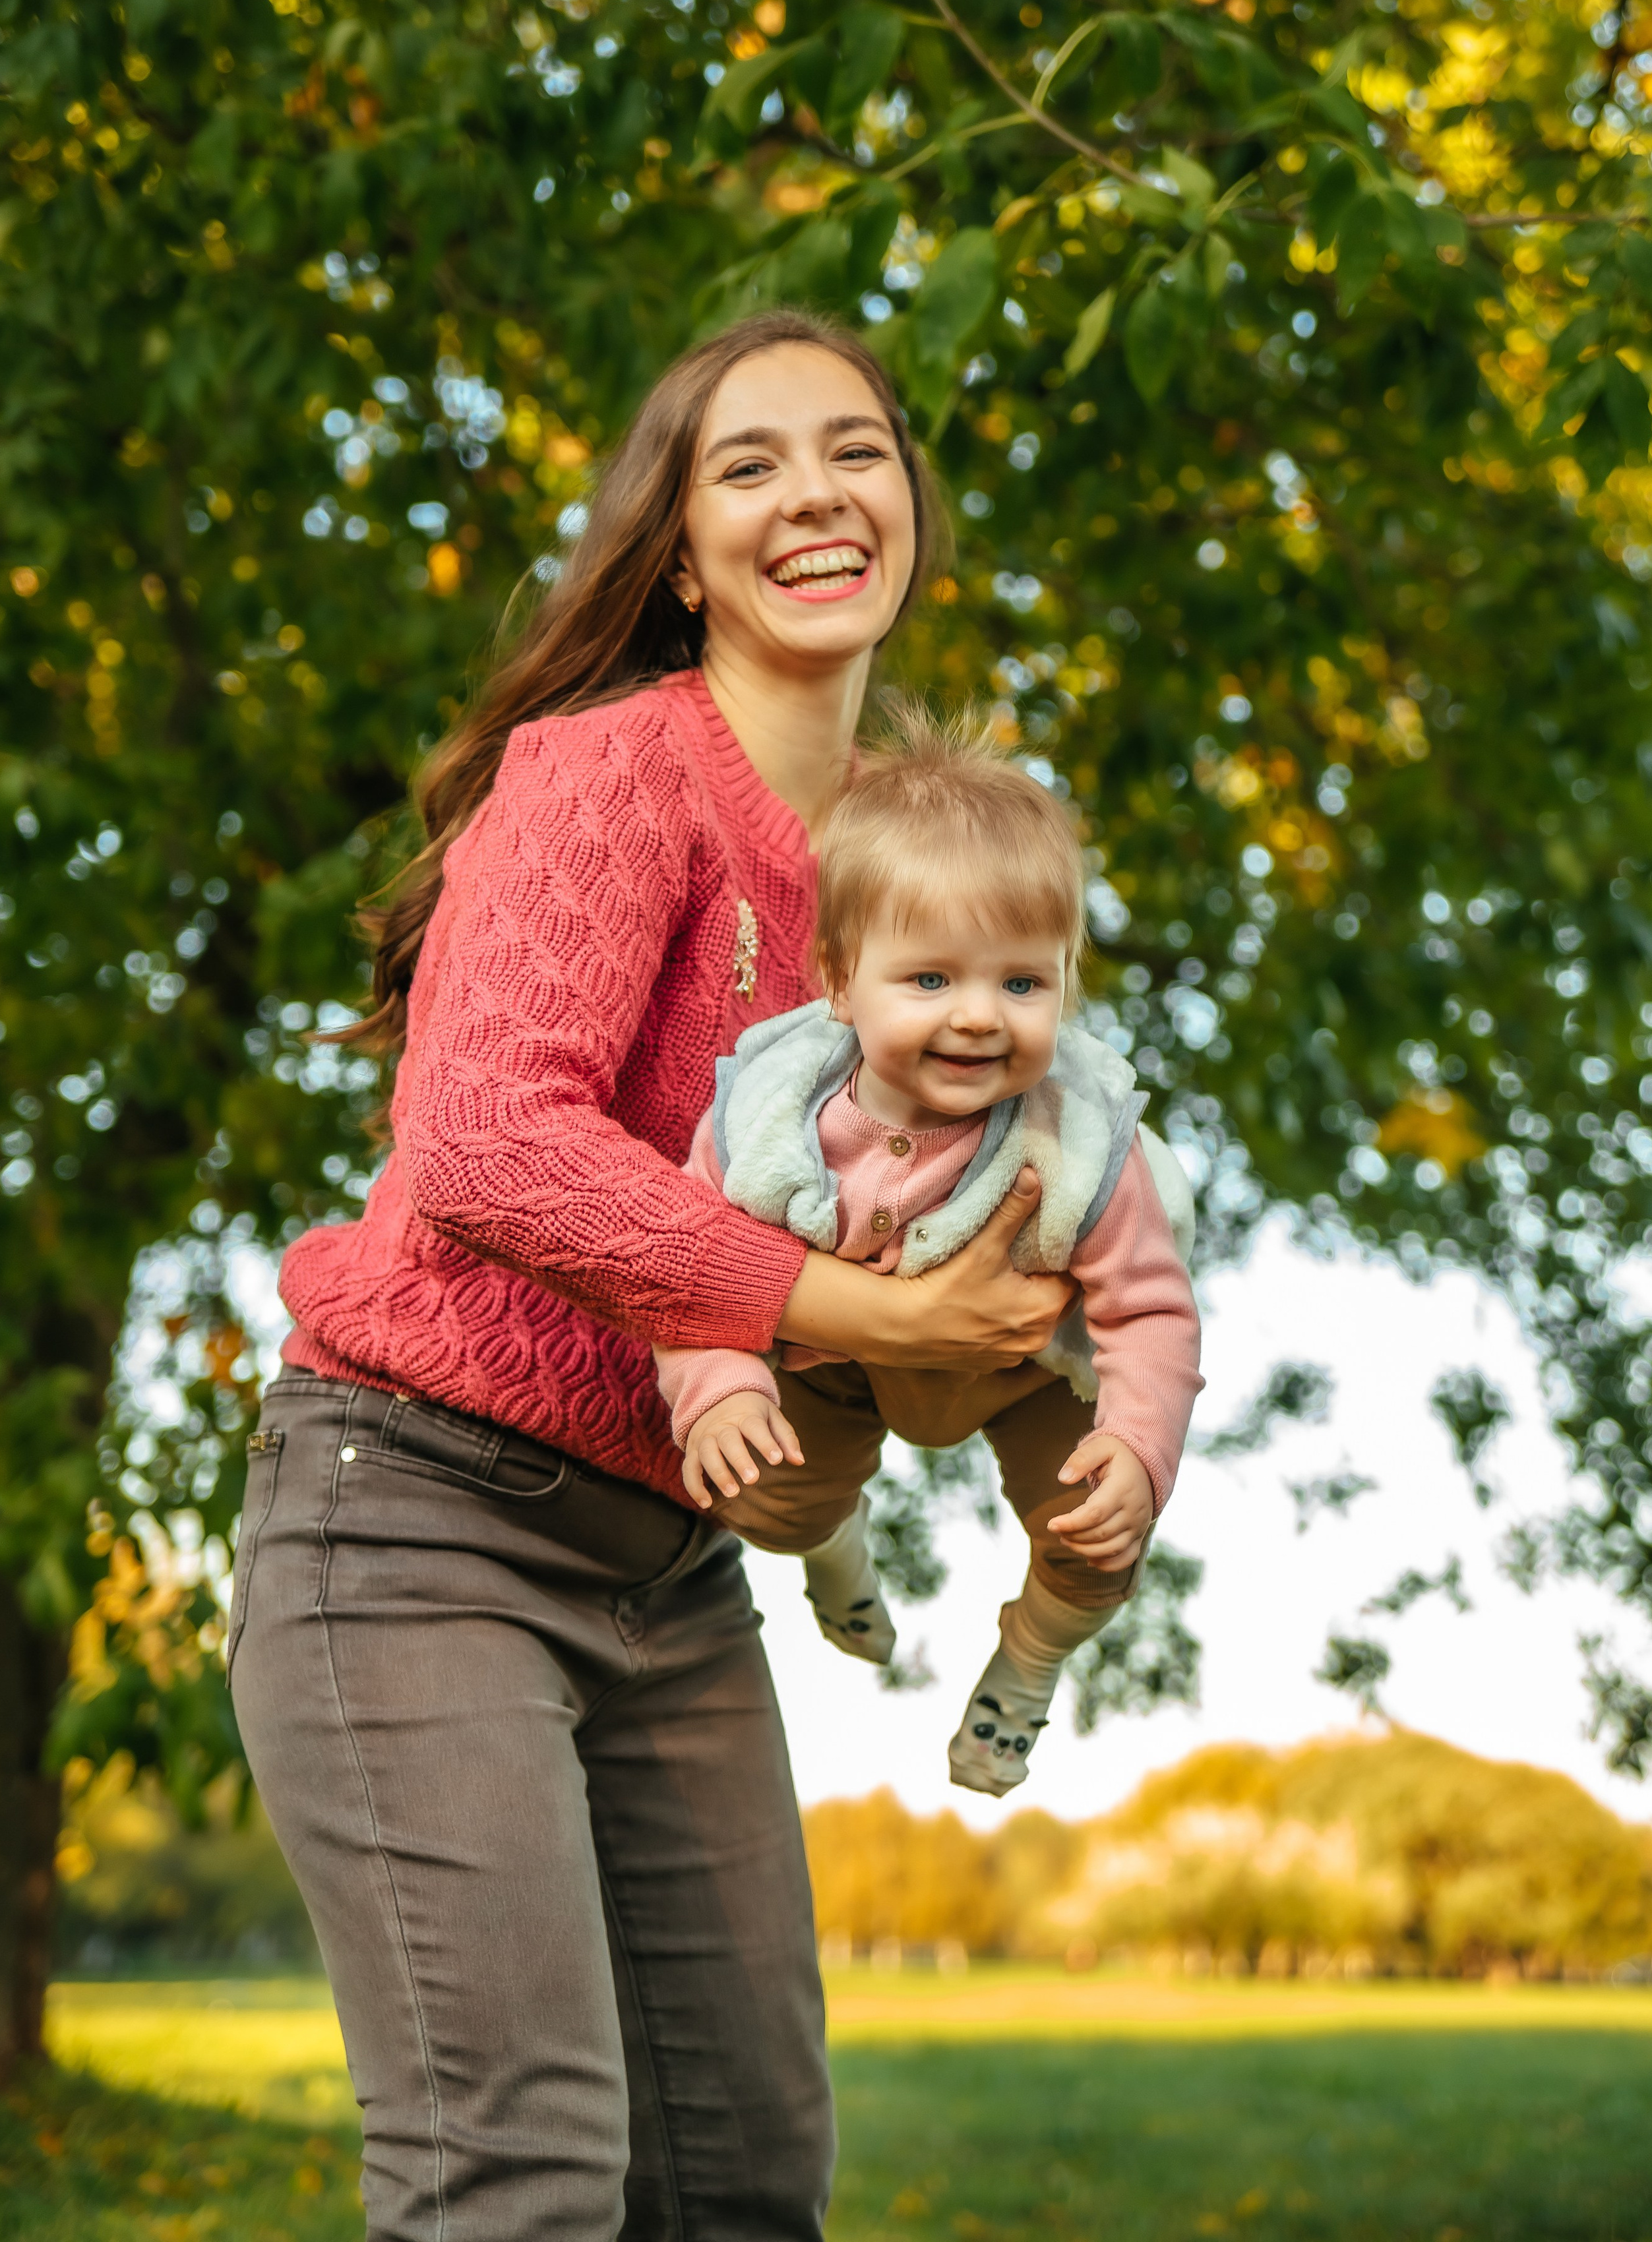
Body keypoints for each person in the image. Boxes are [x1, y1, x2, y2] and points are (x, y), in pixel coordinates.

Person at [227, 309, 1081, 2242]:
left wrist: (1001, 1372)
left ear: (913, 514)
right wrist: (851, 1319)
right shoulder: (613, 774)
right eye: (750, 464)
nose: (817, 496)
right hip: (419, 1524)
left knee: (741, 2181)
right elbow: (488, 1145)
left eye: (857, 450)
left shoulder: (906, 877)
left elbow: (872, 1217)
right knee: (516, 2179)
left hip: (671, 1580)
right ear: (678, 554)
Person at [655, 708, 1202, 1800]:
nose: (979, 1019)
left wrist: (1139, 1450)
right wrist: (715, 1389)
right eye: (930, 981)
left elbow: (1151, 1311)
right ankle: (833, 1551)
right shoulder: (771, 1120)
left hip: (1026, 1369)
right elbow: (689, 1266)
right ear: (839, 980)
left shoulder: (1080, 1145)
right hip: (841, 1362)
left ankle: (1029, 1664)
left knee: (1102, 1544)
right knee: (759, 1497)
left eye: (1021, 983)